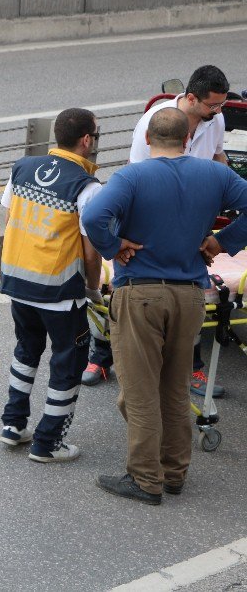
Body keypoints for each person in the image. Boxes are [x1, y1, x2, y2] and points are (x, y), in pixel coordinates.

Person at [83, 107, 247, 505]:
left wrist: (114, 246)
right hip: (190, 294)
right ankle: (174, 473)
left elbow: (92, 216)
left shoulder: (132, 176)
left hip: (141, 295)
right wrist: (222, 242)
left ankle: (144, 480)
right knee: (174, 388)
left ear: (149, 140)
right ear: (188, 140)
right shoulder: (216, 174)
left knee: (138, 393)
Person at [82, 65, 231, 395]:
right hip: (146, 220)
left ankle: (192, 369)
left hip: (190, 221)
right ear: (191, 98)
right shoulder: (155, 123)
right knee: (124, 291)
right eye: (213, 105)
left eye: (221, 105)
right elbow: (136, 182)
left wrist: (219, 204)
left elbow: (219, 158)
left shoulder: (215, 120)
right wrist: (116, 243)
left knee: (187, 292)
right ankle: (101, 354)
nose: (219, 112)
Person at [0, 108, 104, 463]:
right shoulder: (87, 187)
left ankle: (13, 425)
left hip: (18, 283)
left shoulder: (22, 168)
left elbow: (11, 216)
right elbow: (91, 253)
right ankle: (48, 443)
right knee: (68, 363)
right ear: (86, 140)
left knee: (26, 351)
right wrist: (93, 288)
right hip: (59, 293)